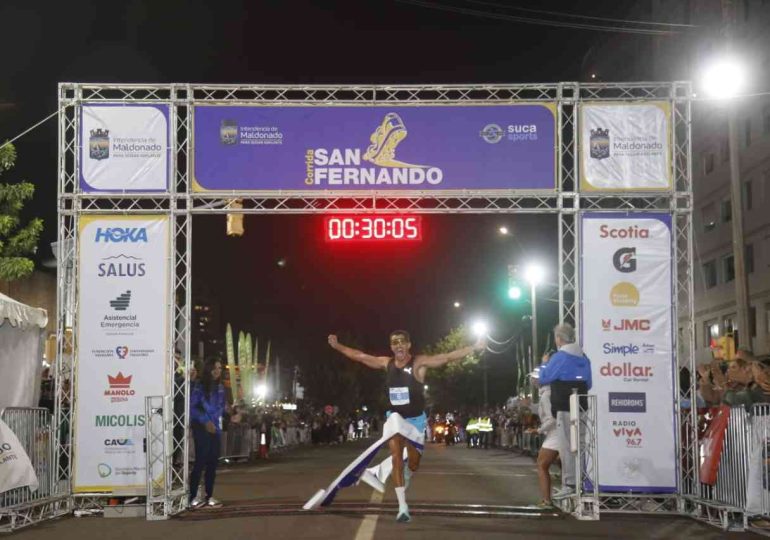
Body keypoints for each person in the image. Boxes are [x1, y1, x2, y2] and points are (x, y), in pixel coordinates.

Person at [328, 330, 485, 523]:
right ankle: (402, 506)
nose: (398, 345)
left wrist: (474, 347)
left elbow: (447, 357)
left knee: (413, 463)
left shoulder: (418, 363)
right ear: (391, 346)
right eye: (394, 342)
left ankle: (408, 473)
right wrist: (338, 346)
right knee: (395, 457)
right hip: (395, 418)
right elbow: (360, 357)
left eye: (402, 342)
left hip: (416, 422)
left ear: (409, 345)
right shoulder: (387, 363)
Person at [537, 323, 591, 499]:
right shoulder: (583, 356)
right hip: (581, 405)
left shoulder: (560, 357)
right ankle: (580, 481)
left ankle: (569, 484)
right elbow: (589, 383)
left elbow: (544, 378)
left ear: (559, 339)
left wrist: (545, 364)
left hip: (564, 406)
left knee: (567, 446)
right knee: (580, 445)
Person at [189, 358, 226, 509]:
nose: (218, 371)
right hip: (201, 426)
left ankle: (209, 495)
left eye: (220, 368)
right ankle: (192, 497)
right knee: (200, 461)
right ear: (209, 369)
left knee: (212, 462)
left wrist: (219, 421)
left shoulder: (221, 388)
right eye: (215, 368)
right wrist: (205, 421)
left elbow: (221, 407)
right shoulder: (199, 386)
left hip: (214, 428)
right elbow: (192, 407)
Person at [530, 359, 559, 508]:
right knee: (561, 463)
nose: (532, 381)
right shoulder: (550, 392)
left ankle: (547, 501)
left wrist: (539, 430)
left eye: (534, 378)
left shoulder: (546, 396)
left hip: (555, 433)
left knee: (542, 464)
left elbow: (552, 418)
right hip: (557, 432)